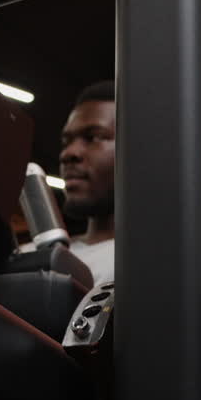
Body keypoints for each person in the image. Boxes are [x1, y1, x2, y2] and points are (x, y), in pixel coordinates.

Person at [58, 80, 115, 285]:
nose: (68, 153)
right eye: (66, 142)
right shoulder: (29, 254)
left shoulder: (151, 259)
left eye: (93, 138)